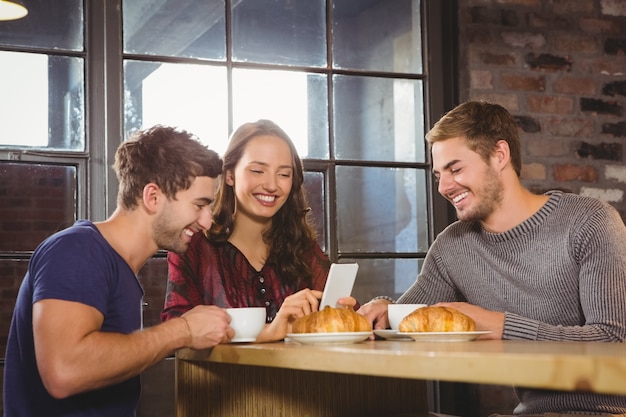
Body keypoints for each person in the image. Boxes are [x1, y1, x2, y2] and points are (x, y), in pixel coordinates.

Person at [358, 101, 626, 416]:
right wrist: (383, 309)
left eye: (455, 169)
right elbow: (408, 325)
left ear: (500, 155)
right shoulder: (453, 247)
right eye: (439, 175)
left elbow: (614, 338)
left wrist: (500, 325)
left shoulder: (589, 222)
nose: (444, 186)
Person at [3, 125, 236, 417]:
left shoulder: (119, 269)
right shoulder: (77, 250)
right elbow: (64, 371)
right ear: (153, 197)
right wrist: (183, 330)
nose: (206, 222)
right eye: (199, 205)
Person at [162, 119, 356, 342]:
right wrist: (271, 331)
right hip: (219, 378)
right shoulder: (192, 244)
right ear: (230, 175)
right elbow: (176, 328)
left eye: (284, 174)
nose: (272, 185)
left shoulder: (301, 247)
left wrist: (355, 312)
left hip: (301, 376)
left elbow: (341, 314)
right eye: (257, 170)